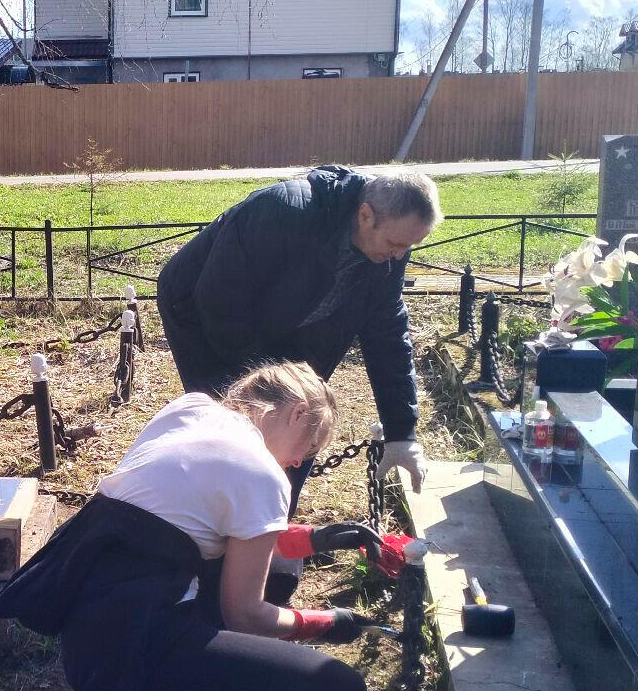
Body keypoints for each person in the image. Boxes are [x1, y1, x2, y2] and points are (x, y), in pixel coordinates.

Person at [0, 361, 384, 691]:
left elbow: (183, 518)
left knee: (283, 569)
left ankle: (173, 687)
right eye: (305, 450)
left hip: (93, 630)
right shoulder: (265, 474)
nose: (295, 463)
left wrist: (316, 539)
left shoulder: (189, 409)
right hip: (125, 657)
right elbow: (245, 615)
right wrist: (323, 624)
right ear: (297, 414)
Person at [156, 166, 440, 504]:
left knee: (306, 416)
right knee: (239, 419)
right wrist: (271, 385)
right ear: (365, 215)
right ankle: (217, 519)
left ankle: (274, 523)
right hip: (200, 311)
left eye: (409, 246)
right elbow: (221, 302)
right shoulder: (282, 210)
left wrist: (401, 431)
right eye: (396, 243)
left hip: (297, 318)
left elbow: (388, 334)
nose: (399, 255)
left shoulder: (388, 252)